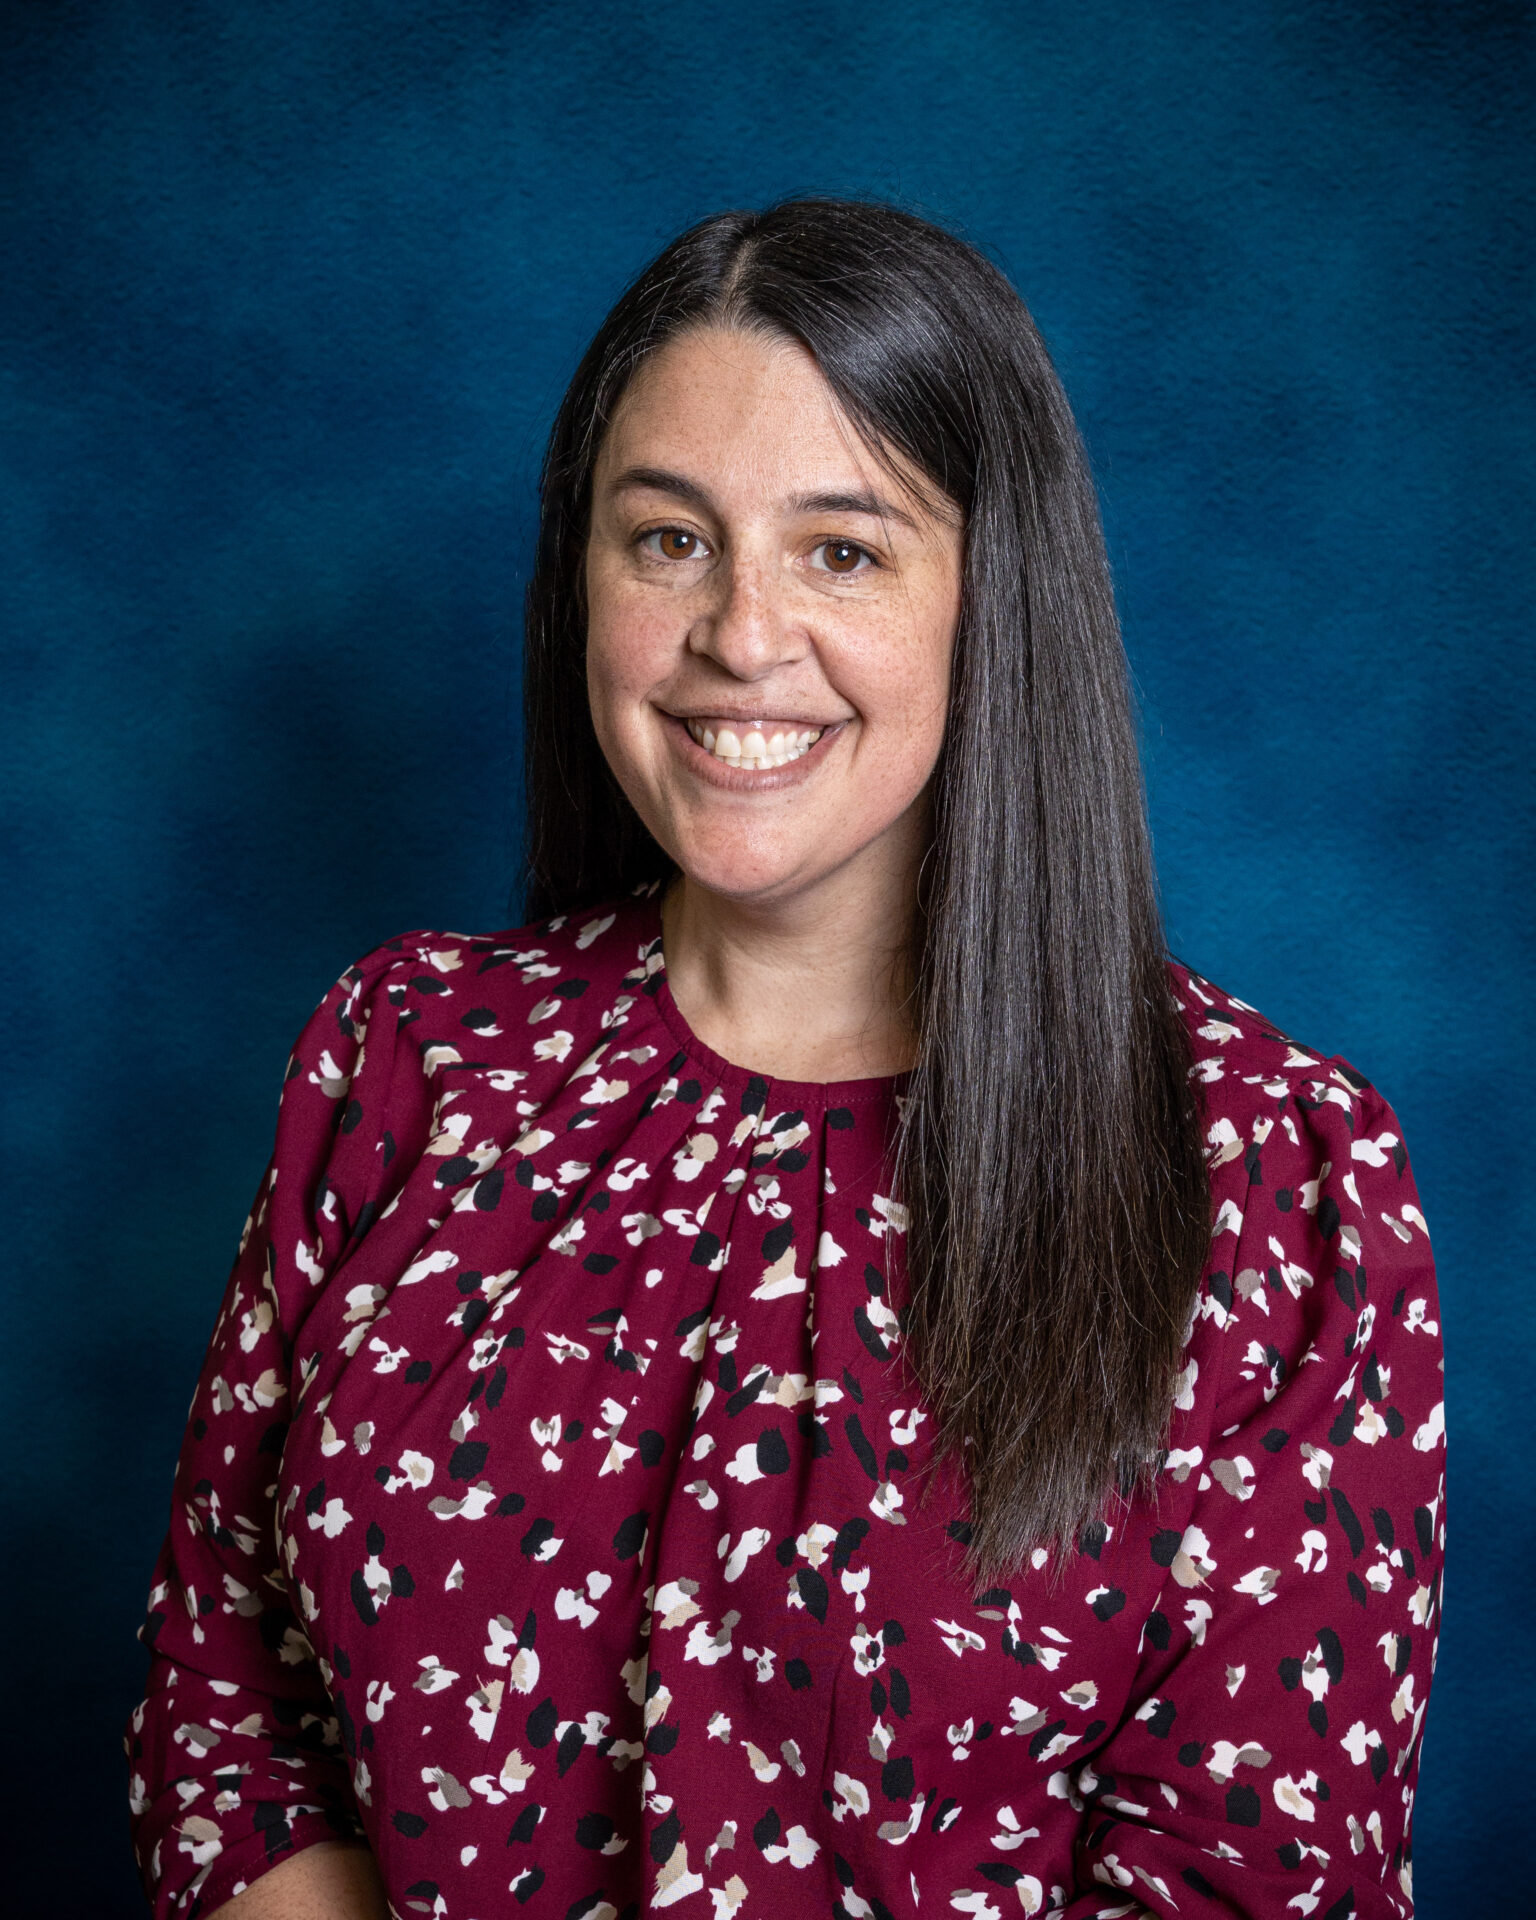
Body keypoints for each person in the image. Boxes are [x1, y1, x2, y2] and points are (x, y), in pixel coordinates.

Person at [125, 199, 1444, 1920]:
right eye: (666, 539)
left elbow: (1262, 1877)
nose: (741, 635)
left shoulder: (1276, 1176)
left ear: (996, 599)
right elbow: (230, 1719)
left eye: (844, 549)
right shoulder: (407, 1057)